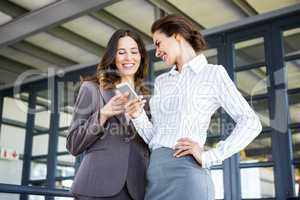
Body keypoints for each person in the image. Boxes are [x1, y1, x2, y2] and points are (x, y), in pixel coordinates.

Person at [125, 15, 262, 200]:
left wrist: (210, 156)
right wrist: (138, 116)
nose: (156, 52)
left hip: (186, 175)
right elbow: (154, 139)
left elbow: (251, 122)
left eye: (158, 43)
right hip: (155, 175)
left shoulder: (213, 74)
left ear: (177, 36)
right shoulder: (162, 81)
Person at [66, 29, 150, 200]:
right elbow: (73, 144)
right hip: (96, 188)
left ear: (141, 56)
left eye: (134, 52)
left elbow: (153, 144)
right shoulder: (92, 89)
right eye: (121, 52)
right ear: (113, 56)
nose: (129, 58)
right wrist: (103, 114)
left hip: (136, 191)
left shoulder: (148, 99)